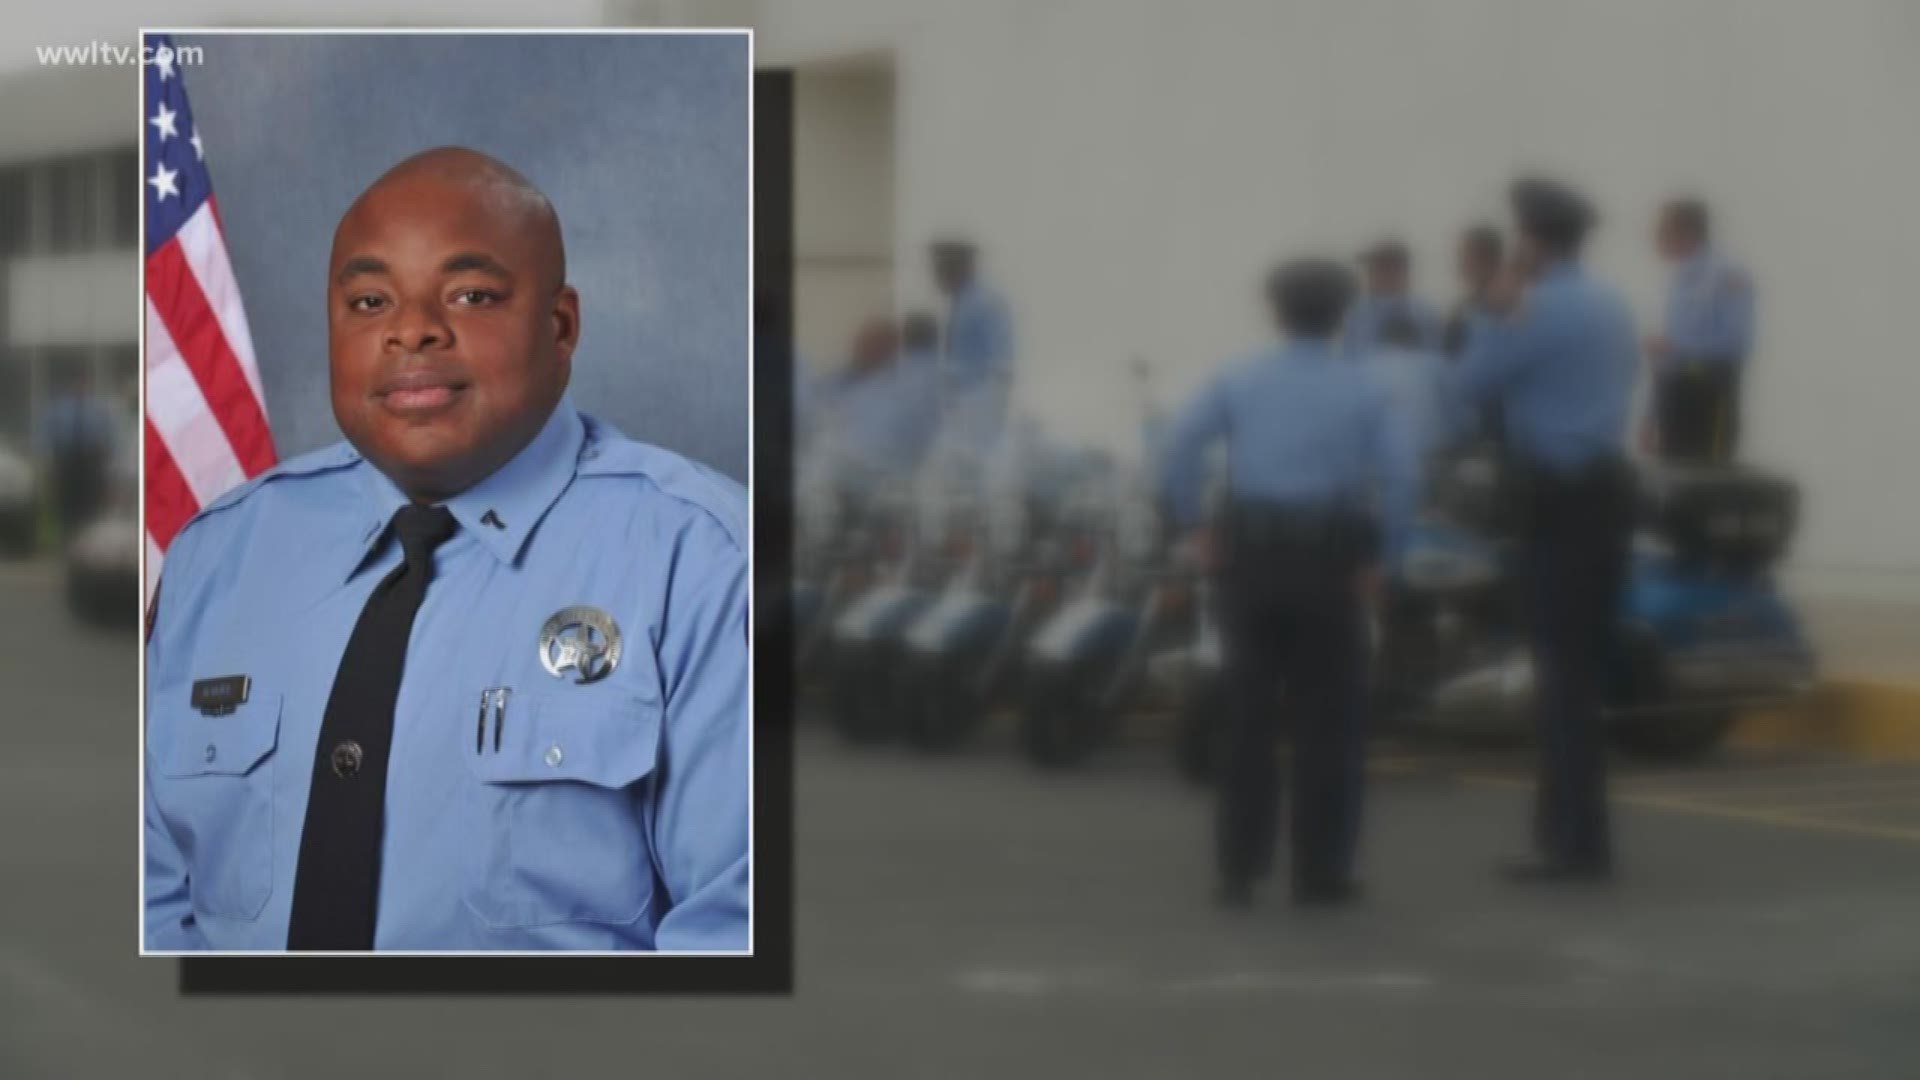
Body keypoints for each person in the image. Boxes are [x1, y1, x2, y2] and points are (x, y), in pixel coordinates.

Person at [144, 147, 749, 951]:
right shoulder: (214, 559)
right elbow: (154, 903)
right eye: (368, 300)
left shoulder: (702, 559)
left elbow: (727, 936)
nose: (412, 329)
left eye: (471, 295)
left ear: (560, 326)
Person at [1161, 258, 1416, 909]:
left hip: (1250, 560)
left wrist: (1195, 524)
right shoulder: (1364, 388)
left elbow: (1178, 448)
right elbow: (1402, 480)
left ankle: (1239, 869)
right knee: (1329, 721)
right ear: (1342, 316)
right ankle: (1321, 870)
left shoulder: (1239, 377)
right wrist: (1382, 557)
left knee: (1246, 717)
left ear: (1276, 313)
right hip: (1331, 566)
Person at [1449, 178, 1637, 883]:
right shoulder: (1612, 304)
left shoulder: (1531, 307)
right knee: (1578, 676)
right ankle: (1577, 836)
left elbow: (1468, 384)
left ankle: (1571, 845)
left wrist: (1492, 310)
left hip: (1559, 502)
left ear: (1529, 241)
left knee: (1561, 680)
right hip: (1608, 494)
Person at [1645, 197, 1754, 462]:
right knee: (1671, 485)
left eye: (1663, 230)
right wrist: (1652, 416)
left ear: (1687, 233)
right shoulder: (1680, 279)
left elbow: (1735, 343)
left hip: (1710, 394)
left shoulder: (1728, 275)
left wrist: (1676, 345)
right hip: (1676, 395)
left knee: (1706, 481)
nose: (1655, 237)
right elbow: (1667, 359)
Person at [930, 238, 1015, 454]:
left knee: (974, 458)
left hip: (978, 398)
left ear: (958, 269)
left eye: (941, 268)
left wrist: (988, 405)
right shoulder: (961, 303)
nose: (936, 276)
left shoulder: (985, 303)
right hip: (958, 399)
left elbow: (1001, 363)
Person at [42, 367, 116, 538]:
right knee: (66, 503)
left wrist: (108, 461)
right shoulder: (59, 408)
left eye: (83, 383)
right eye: (77, 383)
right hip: (66, 461)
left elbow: (108, 435)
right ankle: (67, 537)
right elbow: (47, 434)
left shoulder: (97, 409)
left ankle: (87, 538)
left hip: (91, 461)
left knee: (90, 503)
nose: (80, 387)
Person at [1342, 239, 1443, 355]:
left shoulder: (1425, 314)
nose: (1369, 274)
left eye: (1379, 267)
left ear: (1400, 271)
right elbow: (1348, 355)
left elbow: (1435, 355)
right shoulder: (1357, 314)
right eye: (1371, 268)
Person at [1442, 224, 1504, 359]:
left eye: (1466, 256)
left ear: (1488, 261)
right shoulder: (1461, 312)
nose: (1461, 264)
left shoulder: (1511, 312)